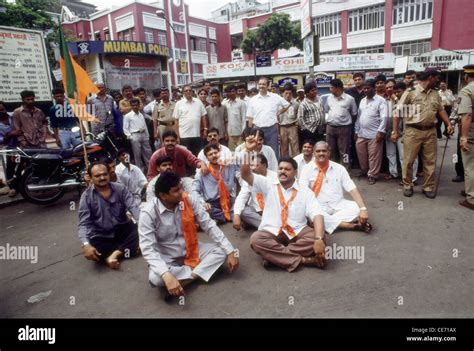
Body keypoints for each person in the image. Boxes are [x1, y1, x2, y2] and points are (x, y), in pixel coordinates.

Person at [139, 172, 239, 299]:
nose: (181, 192)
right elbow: (148, 248)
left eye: (181, 187)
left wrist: (230, 251)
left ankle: (185, 282)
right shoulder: (148, 213)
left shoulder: (188, 200)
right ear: (163, 196)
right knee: (156, 278)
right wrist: (166, 275)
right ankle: (199, 272)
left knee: (221, 252)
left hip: (191, 249)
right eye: (176, 190)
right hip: (168, 257)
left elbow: (209, 225)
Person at [240, 133, 326, 271]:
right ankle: (303, 260)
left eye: (287, 169)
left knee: (317, 236)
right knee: (256, 239)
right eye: (280, 169)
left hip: (297, 231)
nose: (282, 172)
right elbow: (245, 174)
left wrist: (319, 239)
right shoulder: (268, 183)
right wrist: (248, 151)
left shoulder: (304, 191)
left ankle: (274, 257)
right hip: (273, 231)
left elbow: (317, 215)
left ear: (295, 172)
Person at [391, 69, 455, 198]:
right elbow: (398, 113)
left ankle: (428, 186)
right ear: (430, 78)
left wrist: (448, 123)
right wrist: (394, 131)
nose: (438, 81)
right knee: (408, 160)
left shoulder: (435, 94)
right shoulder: (410, 93)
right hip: (413, 131)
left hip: (430, 131)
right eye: (437, 78)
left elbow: (441, 110)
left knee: (430, 161)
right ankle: (408, 185)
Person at [300, 141, 373, 234]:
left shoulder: (339, 168)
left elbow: (352, 189)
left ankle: (322, 223)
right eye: (318, 151)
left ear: (329, 153)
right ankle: (352, 226)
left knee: (356, 208)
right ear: (314, 153)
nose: (321, 153)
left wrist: (363, 209)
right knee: (314, 213)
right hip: (318, 206)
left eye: (324, 151)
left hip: (338, 204)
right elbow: (303, 192)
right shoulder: (306, 169)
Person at [78, 161, 140, 269]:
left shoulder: (121, 189)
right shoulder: (86, 196)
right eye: (97, 176)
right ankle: (127, 248)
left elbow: (134, 208)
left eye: (104, 174)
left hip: (122, 229)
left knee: (140, 230)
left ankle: (114, 254)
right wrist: (85, 244)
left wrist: (143, 225)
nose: (102, 177)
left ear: (109, 174)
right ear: (91, 178)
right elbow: (84, 223)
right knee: (96, 249)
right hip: (102, 235)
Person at [191, 143, 239, 224]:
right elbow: (194, 190)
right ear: (206, 158)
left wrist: (232, 158)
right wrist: (203, 202)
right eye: (210, 154)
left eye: (215, 153)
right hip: (212, 203)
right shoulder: (202, 172)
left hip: (228, 200)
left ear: (219, 153)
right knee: (202, 209)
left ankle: (219, 218)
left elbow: (242, 169)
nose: (214, 155)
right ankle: (225, 216)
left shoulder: (229, 166)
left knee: (240, 205)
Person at [246, 77, 290, 159]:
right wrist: (250, 132)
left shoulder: (275, 97)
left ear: (268, 86)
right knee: (257, 152)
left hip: (271, 130)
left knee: (273, 152)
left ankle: (274, 170)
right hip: (257, 130)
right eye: (260, 84)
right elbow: (250, 118)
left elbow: (287, 105)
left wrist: (279, 112)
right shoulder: (253, 100)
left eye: (263, 84)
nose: (261, 86)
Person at [354, 79, 388, 184]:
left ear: (374, 88)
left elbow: (384, 117)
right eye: (364, 88)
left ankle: (373, 175)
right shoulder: (363, 100)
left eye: (368, 88)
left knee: (374, 157)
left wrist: (381, 131)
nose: (365, 90)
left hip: (375, 134)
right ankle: (364, 171)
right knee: (361, 155)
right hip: (362, 133)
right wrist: (356, 130)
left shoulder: (381, 100)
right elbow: (359, 117)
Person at [233, 153, 277, 230]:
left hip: (273, 210)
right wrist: (236, 215)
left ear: (265, 165)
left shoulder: (275, 178)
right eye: (251, 166)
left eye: (256, 165)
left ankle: (266, 226)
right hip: (257, 210)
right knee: (243, 211)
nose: (253, 168)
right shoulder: (250, 178)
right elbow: (242, 197)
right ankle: (267, 226)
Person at [321, 79, 358, 169]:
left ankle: (345, 168)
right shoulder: (329, 98)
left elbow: (354, 114)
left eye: (331, 87)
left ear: (337, 88)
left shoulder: (350, 99)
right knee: (329, 150)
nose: (330, 89)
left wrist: (346, 123)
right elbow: (326, 110)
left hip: (344, 128)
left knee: (344, 151)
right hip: (330, 127)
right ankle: (330, 168)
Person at [174, 85, 208, 156]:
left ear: (192, 92)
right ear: (183, 93)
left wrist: (205, 129)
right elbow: (176, 121)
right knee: (185, 155)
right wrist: (177, 136)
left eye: (190, 90)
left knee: (197, 155)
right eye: (186, 91)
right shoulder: (179, 104)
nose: (188, 92)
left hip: (196, 134)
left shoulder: (198, 102)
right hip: (184, 135)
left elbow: (203, 116)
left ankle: (196, 167)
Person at [458, 64, 474, 210]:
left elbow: (467, 114)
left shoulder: (467, 89)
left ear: (466, 76)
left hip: (471, 132)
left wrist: (463, 137)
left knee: (470, 166)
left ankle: (472, 198)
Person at [123, 98, 152, 172]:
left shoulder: (141, 115)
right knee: (137, 154)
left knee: (148, 153)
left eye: (136, 105)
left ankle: (150, 169)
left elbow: (145, 126)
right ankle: (140, 170)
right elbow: (125, 128)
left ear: (139, 105)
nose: (135, 107)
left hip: (143, 134)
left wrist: (147, 136)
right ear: (131, 106)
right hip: (135, 135)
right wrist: (130, 137)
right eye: (133, 105)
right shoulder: (128, 116)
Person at [297, 81, 326, 149]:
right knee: (310, 149)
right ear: (307, 93)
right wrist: (306, 130)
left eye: (315, 89)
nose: (315, 91)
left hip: (320, 130)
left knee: (319, 148)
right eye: (312, 90)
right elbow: (300, 118)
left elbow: (323, 111)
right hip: (310, 131)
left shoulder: (319, 99)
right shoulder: (303, 104)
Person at [278, 83, 300, 158]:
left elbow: (298, 115)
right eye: (286, 93)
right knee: (284, 148)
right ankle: (284, 163)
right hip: (282, 127)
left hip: (292, 126)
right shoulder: (278, 104)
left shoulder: (296, 104)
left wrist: (296, 125)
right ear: (282, 93)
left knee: (295, 147)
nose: (288, 95)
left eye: (290, 93)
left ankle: (297, 164)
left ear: (292, 94)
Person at [222, 84, 246, 151]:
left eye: (232, 91)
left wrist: (243, 132)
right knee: (232, 152)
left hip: (240, 133)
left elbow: (244, 119)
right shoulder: (225, 103)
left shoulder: (241, 103)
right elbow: (224, 119)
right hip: (230, 134)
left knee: (241, 151)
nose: (231, 93)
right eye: (229, 92)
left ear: (236, 92)